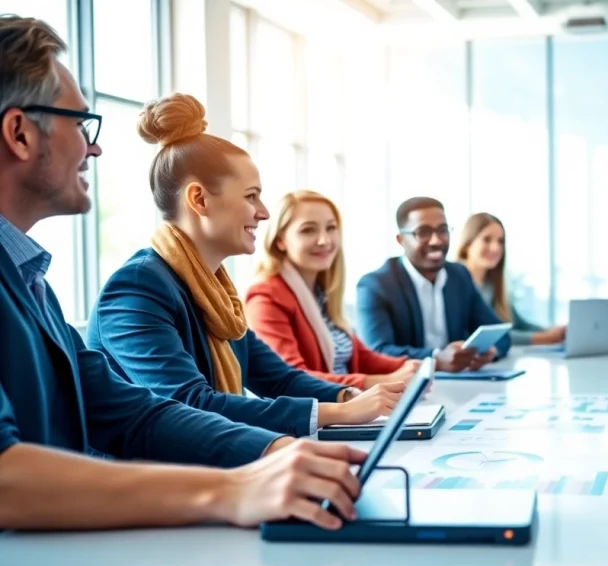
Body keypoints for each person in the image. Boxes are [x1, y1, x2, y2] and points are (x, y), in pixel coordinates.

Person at [0, 15, 362, 531]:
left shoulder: (28, 279)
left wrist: (280, 451)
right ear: (19, 133)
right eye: (80, 124)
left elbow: (132, 412)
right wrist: (235, 488)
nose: (94, 147)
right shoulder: (134, 287)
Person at [87, 93, 405, 438]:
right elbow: (192, 403)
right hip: (155, 481)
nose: (264, 212)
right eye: (251, 196)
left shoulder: (214, 292)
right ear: (199, 199)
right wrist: (339, 411)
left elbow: (278, 377)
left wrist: (351, 396)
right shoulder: (137, 289)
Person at [245, 190, 420, 389]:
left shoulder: (319, 293)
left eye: (331, 228)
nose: (325, 240)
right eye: (308, 230)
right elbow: (291, 379)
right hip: (322, 413)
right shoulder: (265, 298)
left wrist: (409, 367)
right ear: (280, 241)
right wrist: (378, 382)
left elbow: (360, 356)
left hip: (350, 409)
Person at [356, 197, 512, 371]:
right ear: (401, 240)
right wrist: (436, 359)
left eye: (442, 230)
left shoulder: (459, 276)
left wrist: (491, 351)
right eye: (423, 232)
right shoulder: (376, 285)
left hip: (460, 387)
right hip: (408, 389)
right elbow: (378, 351)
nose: (436, 240)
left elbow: (500, 334)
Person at [456, 212, 565, 346]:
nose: (496, 248)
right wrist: (544, 338)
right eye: (487, 239)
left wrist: (551, 331)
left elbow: (518, 324)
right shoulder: (455, 284)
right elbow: (488, 335)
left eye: (500, 241)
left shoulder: (491, 285)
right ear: (467, 244)